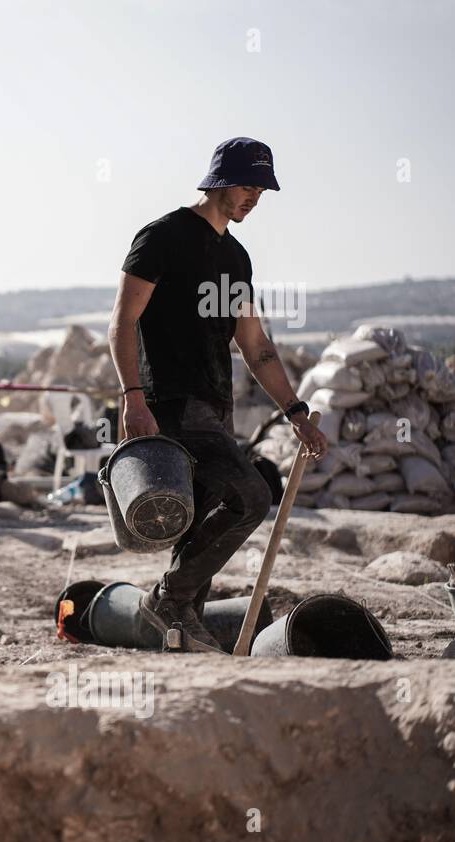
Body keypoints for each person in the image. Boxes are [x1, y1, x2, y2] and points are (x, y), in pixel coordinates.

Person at [108, 137, 327, 653]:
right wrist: (131, 396)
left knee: (198, 528)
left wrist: (295, 411)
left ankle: (181, 631)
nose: (255, 196)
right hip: (171, 403)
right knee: (251, 496)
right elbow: (122, 321)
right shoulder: (163, 236)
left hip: (215, 407)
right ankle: (167, 600)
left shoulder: (236, 257)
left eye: (263, 189)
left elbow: (256, 347)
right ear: (220, 180)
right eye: (248, 185)